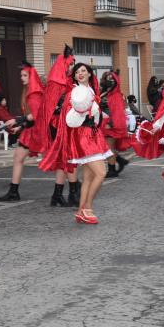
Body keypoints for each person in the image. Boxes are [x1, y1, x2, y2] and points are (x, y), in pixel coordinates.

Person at [40, 63, 112, 224]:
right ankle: (88, 208)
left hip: (93, 135)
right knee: (101, 173)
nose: (80, 73)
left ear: (89, 74)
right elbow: (70, 118)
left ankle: (80, 211)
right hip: (84, 136)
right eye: (77, 72)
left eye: (83, 71)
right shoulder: (75, 92)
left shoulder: (91, 91)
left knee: (88, 177)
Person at [35, 45, 80, 207]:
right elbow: (53, 108)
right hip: (58, 125)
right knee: (69, 158)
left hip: (62, 124)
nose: (70, 68)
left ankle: (57, 195)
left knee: (65, 160)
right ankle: (72, 194)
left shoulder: (61, 81)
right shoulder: (57, 83)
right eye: (69, 65)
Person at [0, 62, 46, 202]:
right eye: (21, 75)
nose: (22, 77)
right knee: (18, 158)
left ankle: (75, 186)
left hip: (40, 132)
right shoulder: (28, 91)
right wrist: (20, 127)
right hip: (32, 131)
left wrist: (17, 121)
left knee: (56, 161)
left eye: (25, 75)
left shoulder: (34, 93)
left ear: (32, 77)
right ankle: (13, 191)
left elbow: (37, 115)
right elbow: (31, 117)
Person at [100, 71, 130, 178]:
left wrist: (111, 124)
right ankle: (120, 161)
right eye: (108, 79)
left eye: (112, 79)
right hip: (103, 124)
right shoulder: (104, 92)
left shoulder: (116, 94)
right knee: (106, 148)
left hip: (110, 125)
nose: (110, 81)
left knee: (109, 148)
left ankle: (112, 169)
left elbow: (117, 111)